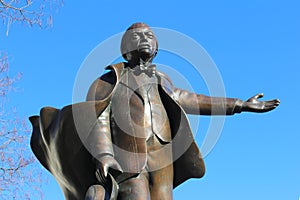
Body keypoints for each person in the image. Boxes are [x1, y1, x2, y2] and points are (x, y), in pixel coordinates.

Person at [29, 22, 279, 200]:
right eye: (136, 37)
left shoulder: (163, 81)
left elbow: (195, 100)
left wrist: (240, 105)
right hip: (128, 157)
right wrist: (104, 154)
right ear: (125, 50)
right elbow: (98, 119)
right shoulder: (109, 80)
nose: (144, 39)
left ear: (157, 48)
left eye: (149, 36)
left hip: (163, 156)